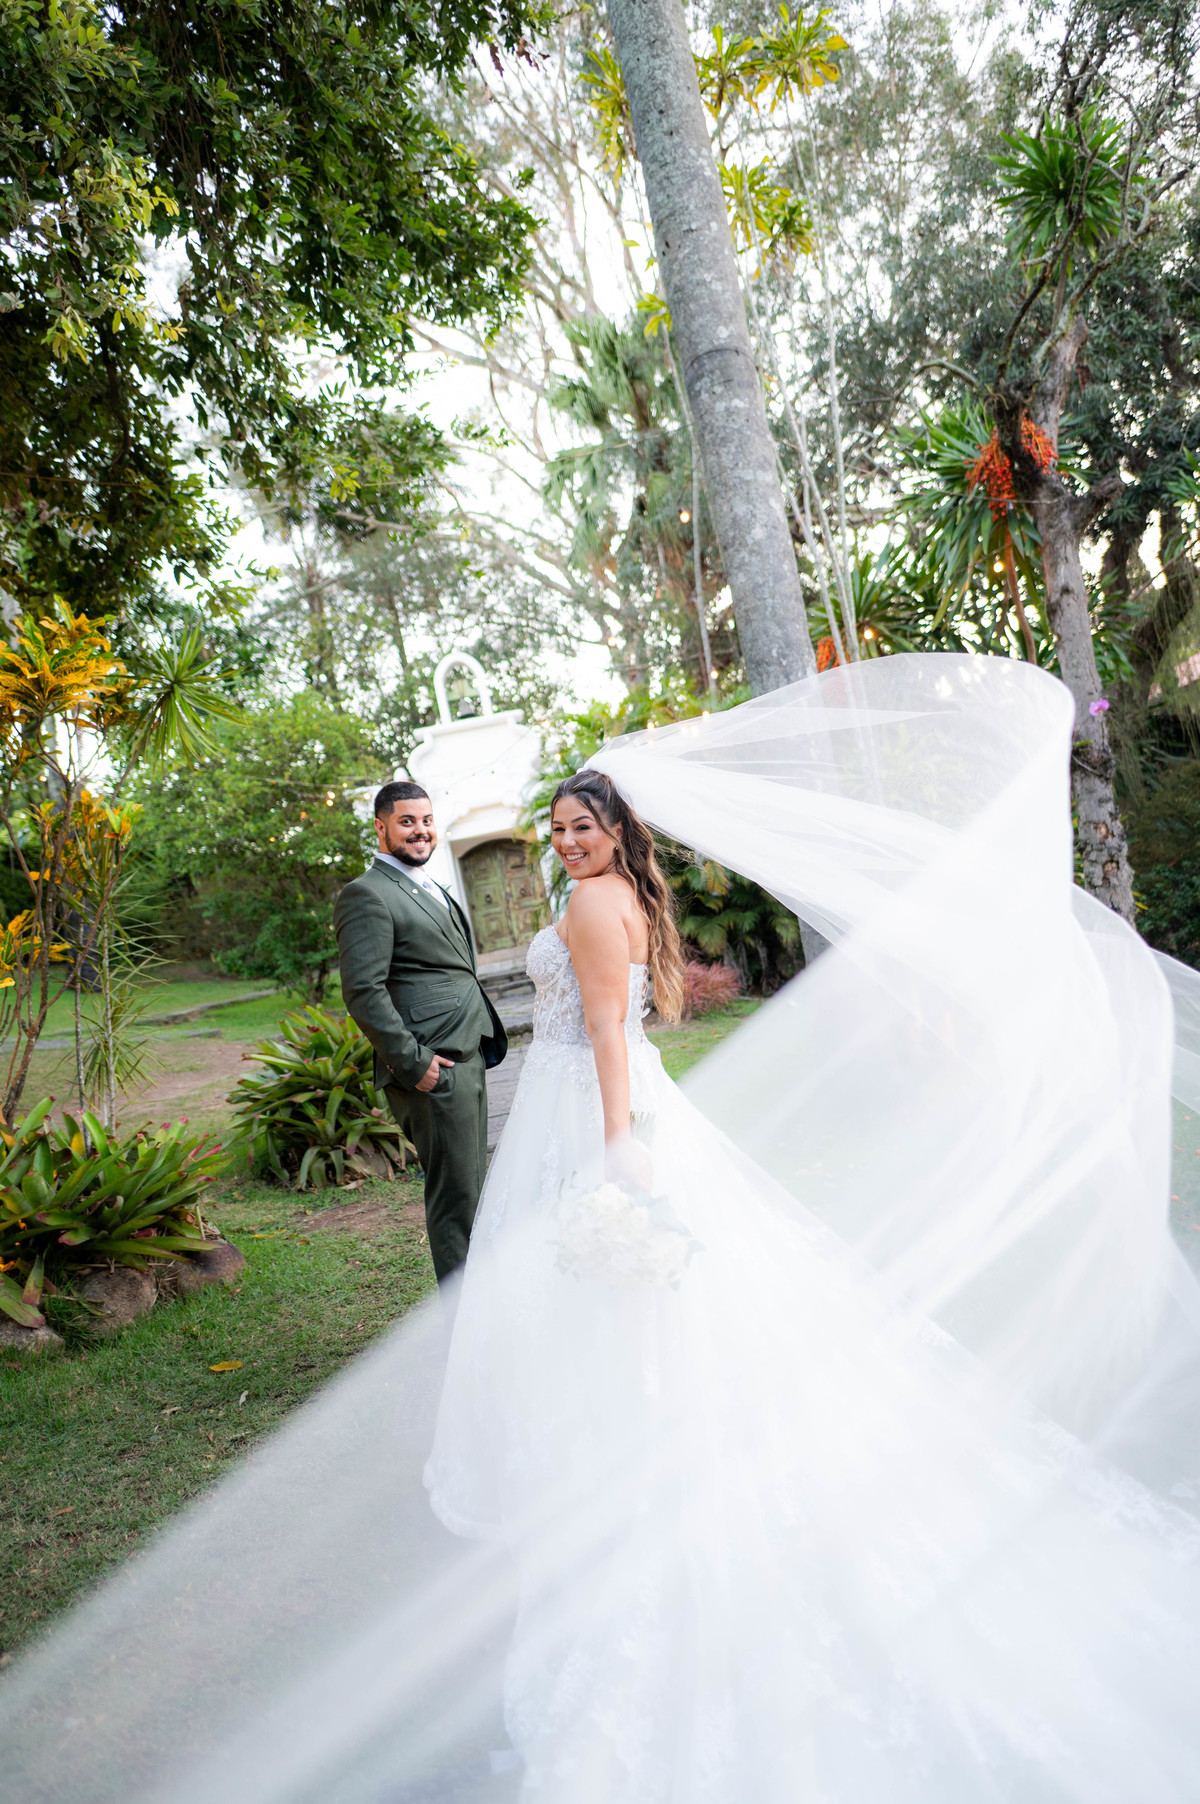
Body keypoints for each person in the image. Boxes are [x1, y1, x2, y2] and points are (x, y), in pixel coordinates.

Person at [334, 781, 507, 1281]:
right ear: (380, 827)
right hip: (433, 1068)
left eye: (426, 820)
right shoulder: (366, 894)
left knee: (472, 1189)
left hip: (465, 1052)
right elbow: (363, 991)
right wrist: (413, 1063)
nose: (420, 831)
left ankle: (483, 1303)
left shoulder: (428, 885)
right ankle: (465, 1315)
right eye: (407, 821)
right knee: (455, 1201)